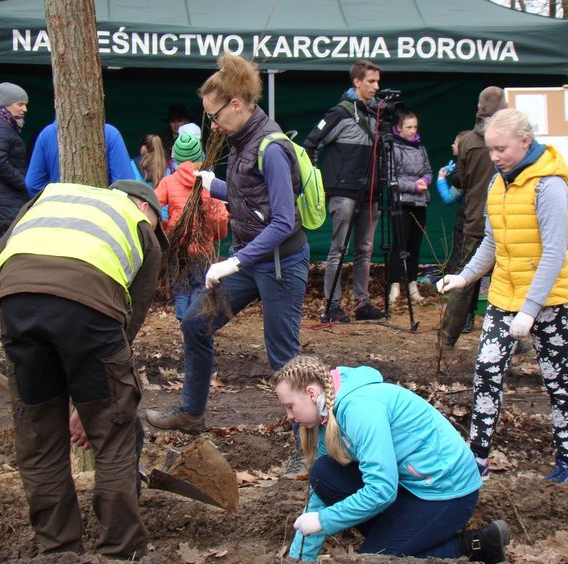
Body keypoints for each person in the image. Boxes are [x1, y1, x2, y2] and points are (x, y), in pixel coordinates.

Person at [0, 179, 168, 559]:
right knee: (113, 437)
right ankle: (120, 552)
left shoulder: (47, 200)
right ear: (146, 209)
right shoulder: (142, 227)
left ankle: (58, 552)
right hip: (92, 314)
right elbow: (126, 328)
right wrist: (95, 407)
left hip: (19, 306)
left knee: (40, 441)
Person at [144, 53, 311, 480]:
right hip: (250, 259)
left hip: (279, 264)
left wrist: (234, 260)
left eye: (214, 115)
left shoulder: (271, 147)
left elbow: (283, 220)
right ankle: (192, 413)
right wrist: (211, 184)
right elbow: (249, 198)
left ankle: (309, 451)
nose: (211, 124)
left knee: (284, 358)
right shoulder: (240, 143)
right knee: (196, 323)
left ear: (237, 103)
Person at [438, 109, 568, 483]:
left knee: (557, 380)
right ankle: (477, 461)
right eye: (490, 150)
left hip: (549, 300)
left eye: (501, 149)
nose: (495, 157)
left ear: (525, 142)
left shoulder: (549, 184)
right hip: (503, 296)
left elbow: (555, 251)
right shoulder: (497, 184)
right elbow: (491, 242)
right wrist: (464, 277)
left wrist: (531, 311)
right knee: (486, 372)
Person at [273, 355, 510, 563]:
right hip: (407, 486)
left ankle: (477, 544)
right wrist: (299, 560)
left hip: (445, 491)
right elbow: (320, 492)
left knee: (374, 562)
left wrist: (324, 521)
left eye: (290, 407)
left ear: (312, 394)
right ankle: (404, 535)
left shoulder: (360, 409)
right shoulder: (326, 417)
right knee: (324, 472)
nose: (289, 417)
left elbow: (381, 490)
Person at [304, 59, 386, 324]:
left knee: (365, 249)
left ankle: (362, 303)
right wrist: (318, 183)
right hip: (344, 192)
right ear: (357, 82)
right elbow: (310, 145)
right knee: (338, 248)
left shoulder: (377, 114)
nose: (376, 86)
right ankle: (333, 305)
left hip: (370, 192)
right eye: (371, 81)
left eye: (378, 81)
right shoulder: (338, 113)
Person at [439, 87, 507, 349]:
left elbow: (463, 180)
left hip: (475, 218)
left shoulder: (467, 141)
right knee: (510, 277)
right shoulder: (511, 138)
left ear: (479, 108)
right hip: (506, 217)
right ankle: (519, 339)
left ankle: (446, 340)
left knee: (464, 279)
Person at [155, 133, 228, 320]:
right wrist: (215, 236)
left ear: (176, 159)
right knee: (199, 286)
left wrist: (166, 228)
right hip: (202, 248)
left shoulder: (168, 182)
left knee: (181, 289)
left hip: (176, 246)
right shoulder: (208, 183)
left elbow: (152, 206)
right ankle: (194, 323)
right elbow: (220, 217)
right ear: (200, 156)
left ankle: (183, 323)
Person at [387, 110, 432, 305]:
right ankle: (394, 287)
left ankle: (413, 287)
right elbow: (391, 177)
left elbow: (428, 170)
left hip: (420, 202)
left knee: (415, 245)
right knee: (400, 245)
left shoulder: (421, 148)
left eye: (415, 127)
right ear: (399, 128)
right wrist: (412, 186)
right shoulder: (392, 148)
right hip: (401, 203)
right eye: (409, 127)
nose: (413, 131)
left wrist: (425, 180)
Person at [25, 120, 135, 197]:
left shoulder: (46, 134)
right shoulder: (109, 133)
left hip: (58, 219)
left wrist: (55, 202)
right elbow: (125, 185)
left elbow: (33, 184)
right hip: (98, 219)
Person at [437, 130, 478, 333]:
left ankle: (461, 317)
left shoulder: (465, 173)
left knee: (462, 268)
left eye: (455, 143)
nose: (452, 146)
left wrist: (441, 179)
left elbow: (448, 198)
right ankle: (466, 317)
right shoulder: (476, 168)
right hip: (473, 223)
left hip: (467, 225)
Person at [0, 82, 30, 249]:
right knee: (3, 250)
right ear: (7, 104)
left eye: (25, 105)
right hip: (2, 199)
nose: (24, 109)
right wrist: (24, 184)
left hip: (3, 198)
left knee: (0, 249)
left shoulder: (4, 126)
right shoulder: (0, 128)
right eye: (20, 104)